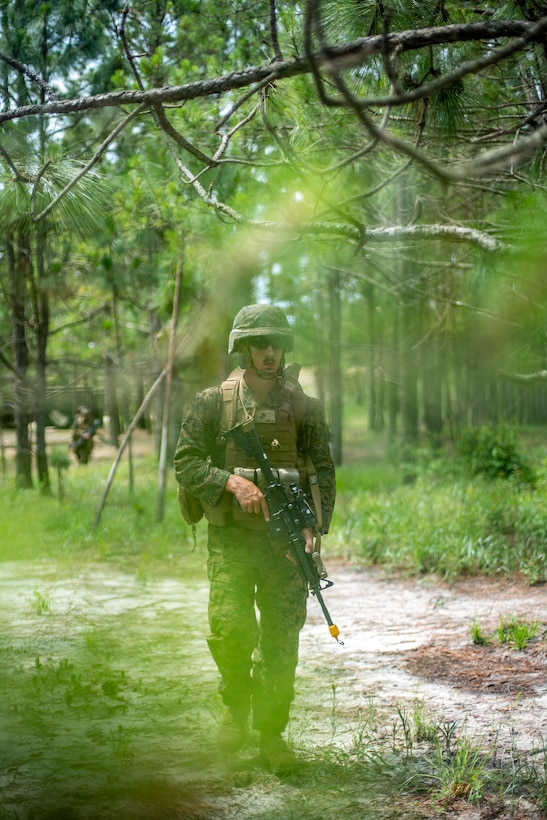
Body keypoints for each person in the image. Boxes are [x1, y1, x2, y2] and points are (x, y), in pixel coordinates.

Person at [173, 304, 336, 774]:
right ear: (243, 348)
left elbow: (322, 473)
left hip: (285, 545)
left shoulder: (305, 408)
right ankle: (235, 704)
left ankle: (270, 734)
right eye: (260, 343)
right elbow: (185, 462)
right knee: (230, 632)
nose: (270, 352)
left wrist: (313, 528)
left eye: (277, 344)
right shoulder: (212, 403)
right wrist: (232, 482)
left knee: (281, 640)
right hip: (232, 543)